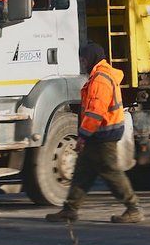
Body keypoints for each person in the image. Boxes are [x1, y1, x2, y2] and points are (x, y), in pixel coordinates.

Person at [46, 42, 143, 224]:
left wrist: (83, 135)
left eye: (84, 58)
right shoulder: (99, 76)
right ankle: (70, 209)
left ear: (91, 58)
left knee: (110, 171)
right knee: (83, 172)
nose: (82, 62)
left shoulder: (100, 79)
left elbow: (94, 113)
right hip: (99, 133)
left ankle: (134, 208)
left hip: (103, 134)